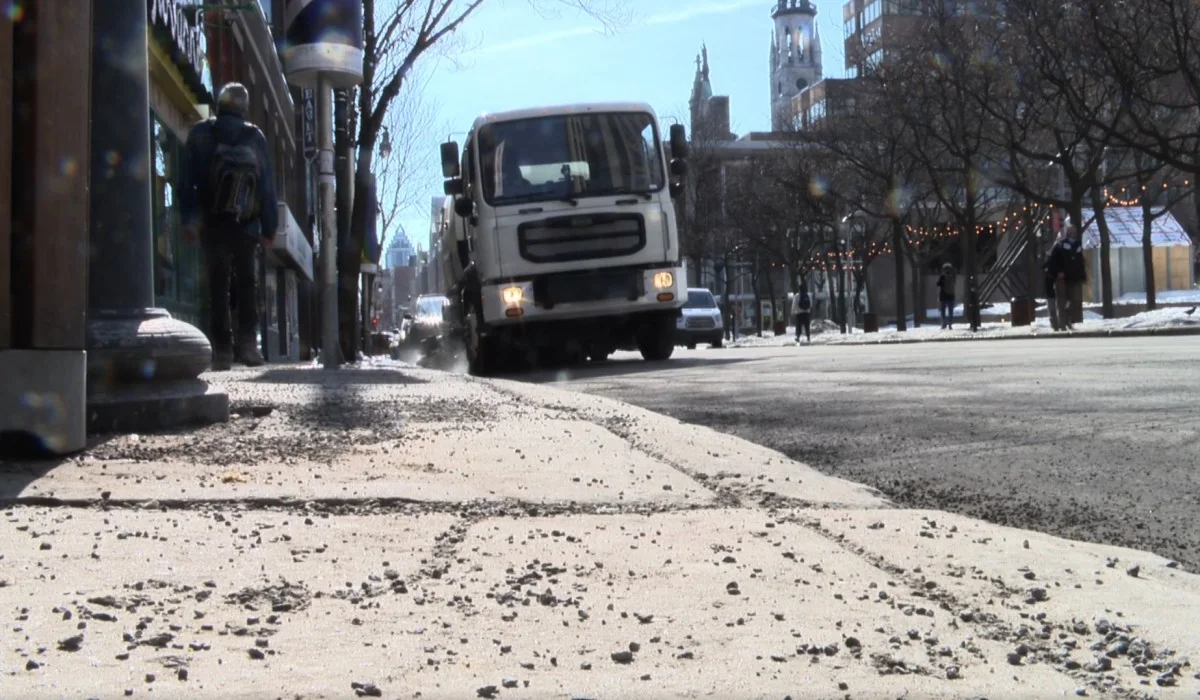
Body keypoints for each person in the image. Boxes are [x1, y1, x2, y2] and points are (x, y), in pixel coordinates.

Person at [179, 83, 278, 370]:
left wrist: (189, 220)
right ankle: (248, 345)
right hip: (246, 226)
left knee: (217, 286)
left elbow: (187, 183)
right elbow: (266, 187)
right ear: (244, 107)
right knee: (248, 284)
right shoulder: (254, 137)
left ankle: (221, 350)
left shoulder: (200, 133)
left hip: (213, 224)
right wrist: (269, 228)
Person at [1048, 224, 1087, 331]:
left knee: (1073, 301)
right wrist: (1058, 272)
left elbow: (1080, 262)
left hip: (1073, 278)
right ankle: (1061, 324)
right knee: (1061, 302)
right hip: (1061, 279)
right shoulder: (1060, 245)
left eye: (1074, 231)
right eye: (1071, 231)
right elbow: (1053, 261)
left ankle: (1068, 320)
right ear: (1067, 232)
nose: (1073, 233)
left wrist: (1082, 276)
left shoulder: (1077, 246)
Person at [936, 262, 957, 329]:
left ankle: (944, 324)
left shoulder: (942, 276)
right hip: (951, 296)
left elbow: (938, 284)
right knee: (950, 311)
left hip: (943, 296)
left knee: (943, 311)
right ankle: (950, 324)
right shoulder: (953, 276)